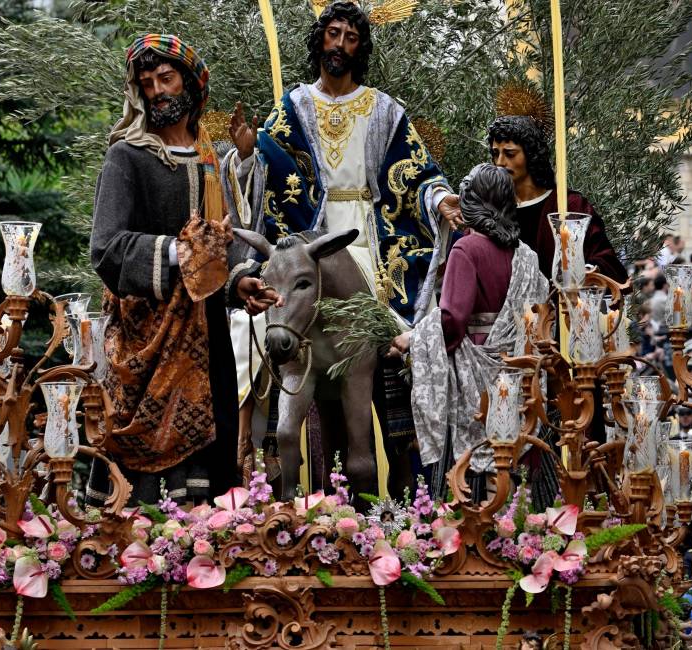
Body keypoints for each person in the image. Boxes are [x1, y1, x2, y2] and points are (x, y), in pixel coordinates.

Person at [224, 1, 458, 491]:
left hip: (370, 244)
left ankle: (405, 483)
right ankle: (305, 485)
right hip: (315, 243)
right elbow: (264, 179)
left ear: (361, 48)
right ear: (319, 40)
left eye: (351, 38)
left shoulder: (385, 110)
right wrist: (247, 156)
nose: (340, 45)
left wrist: (438, 200)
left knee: (390, 354)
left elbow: (416, 175)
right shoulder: (293, 107)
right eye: (333, 34)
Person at [89, 34, 278, 505]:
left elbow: (221, 244)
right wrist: (179, 252)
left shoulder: (209, 158)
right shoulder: (126, 157)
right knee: (148, 485)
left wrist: (240, 280)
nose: (157, 90)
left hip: (208, 335)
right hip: (150, 338)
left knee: (212, 474)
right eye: (147, 82)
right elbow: (106, 249)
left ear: (191, 85)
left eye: (166, 78)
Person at [397, 164, 547, 498]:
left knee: (472, 463)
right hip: (519, 370)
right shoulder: (526, 256)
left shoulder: (466, 249)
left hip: (473, 372)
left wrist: (412, 338)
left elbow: (452, 320)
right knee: (509, 461)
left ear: (472, 203)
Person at [486, 114, 625, 284]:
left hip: (560, 307)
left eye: (510, 153)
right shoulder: (493, 208)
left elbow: (605, 261)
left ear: (530, 155)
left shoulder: (568, 206)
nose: (500, 162)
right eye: (495, 153)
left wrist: (583, 272)